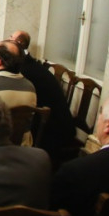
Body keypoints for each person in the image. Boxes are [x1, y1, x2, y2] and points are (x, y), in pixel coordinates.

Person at [9, 30, 76, 160]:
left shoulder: (24, 69)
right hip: (45, 120)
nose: (8, 39)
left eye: (10, 37)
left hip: (53, 129)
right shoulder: (26, 63)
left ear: (18, 43)